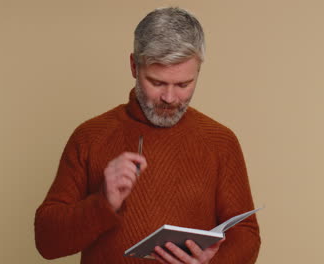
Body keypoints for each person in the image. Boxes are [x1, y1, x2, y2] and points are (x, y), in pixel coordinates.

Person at [35, 7, 260, 264]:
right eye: (157, 82)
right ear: (134, 66)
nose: (170, 98)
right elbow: (46, 242)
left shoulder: (220, 141)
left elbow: (247, 236)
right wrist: (103, 203)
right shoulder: (90, 137)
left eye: (184, 85)